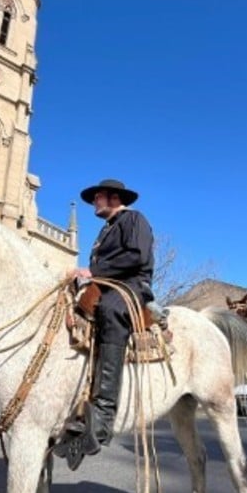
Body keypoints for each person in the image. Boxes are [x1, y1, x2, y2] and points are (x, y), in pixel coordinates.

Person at [59, 179, 155, 461]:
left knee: (110, 310)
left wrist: (94, 270)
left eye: (98, 197)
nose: (94, 203)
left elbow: (137, 255)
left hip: (132, 285)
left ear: (114, 197)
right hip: (105, 283)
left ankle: (103, 414)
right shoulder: (106, 230)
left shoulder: (134, 219)